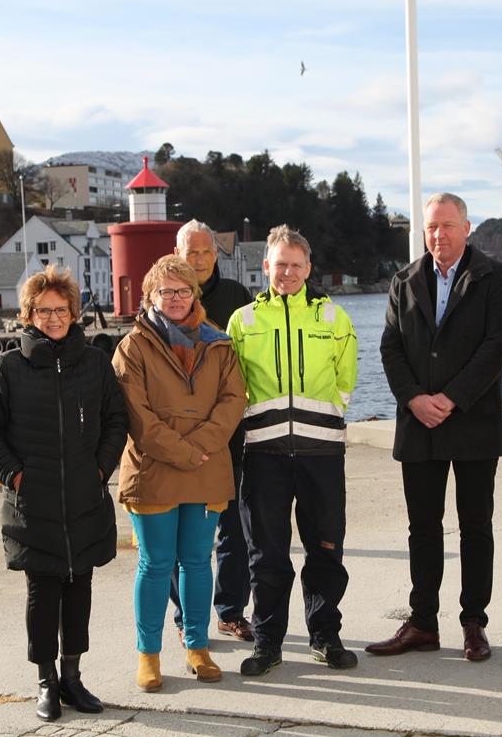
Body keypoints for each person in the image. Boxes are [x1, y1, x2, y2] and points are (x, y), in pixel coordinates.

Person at [0, 265, 127, 721]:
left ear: (74, 312)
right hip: (31, 505)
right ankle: (46, 681)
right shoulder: (9, 368)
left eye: (61, 310)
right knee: (42, 593)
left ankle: (74, 678)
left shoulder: (96, 363)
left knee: (80, 588)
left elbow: (116, 420)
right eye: (44, 311)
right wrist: (15, 476)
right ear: (29, 314)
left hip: (85, 498)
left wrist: (100, 469)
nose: (54, 318)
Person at [371, 193, 502, 662]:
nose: (439, 235)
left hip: (473, 421)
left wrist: (451, 398)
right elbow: (391, 348)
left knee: (476, 527)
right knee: (423, 529)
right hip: (419, 425)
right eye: (431, 227)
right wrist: (415, 398)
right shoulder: (405, 280)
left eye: (447, 226)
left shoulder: (495, 278)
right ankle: (422, 623)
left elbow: (498, 346)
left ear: (467, 227)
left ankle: (474, 623)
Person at [226, 225, 359, 676]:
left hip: (322, 454)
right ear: (266, 266)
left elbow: (346, 379)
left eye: (296, 265)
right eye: (279, 264)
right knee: (267, 554)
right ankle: (267, 643)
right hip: (264, 455)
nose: (287, 272)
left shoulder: (333, 318)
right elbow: (233, 386)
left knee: (325, 550)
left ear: (308, 268)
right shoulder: (242, 322)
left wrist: (328, 417)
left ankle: (325, 635)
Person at [112, 255, 246, 692]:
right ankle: (148, 655)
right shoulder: (132, 347)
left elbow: (233, 403)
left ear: (195, 295)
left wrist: (198, 448)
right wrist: (186, 453)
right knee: (155, 564)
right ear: (150, 296)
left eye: (183, 291)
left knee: (196, 562)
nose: (175, 299)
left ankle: (197, 646)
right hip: (155, 469)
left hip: (205, 468)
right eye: (165, 291)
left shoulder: (220, 344)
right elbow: (137, 416)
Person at [167, 219, 255, 643]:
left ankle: (231, 610)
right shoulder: (163, 296)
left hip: (230, 431)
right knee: (178, 531)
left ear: (215, 254)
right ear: (177, 253)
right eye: (190, 252)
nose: (197, 260)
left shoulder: (238, 298)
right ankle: (186, 614)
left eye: (205, 252)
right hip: (176, 436)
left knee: (235, 526)